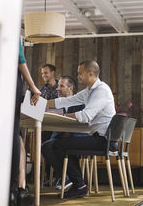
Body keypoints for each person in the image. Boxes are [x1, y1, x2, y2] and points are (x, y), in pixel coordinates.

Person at [46, 60, 116, 199]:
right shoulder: (89, 91)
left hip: (103, 140)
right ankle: (78, 183)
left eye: (80, 73)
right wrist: (44, 103)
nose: (78, 76)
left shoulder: (101, 90)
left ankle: (79, 185)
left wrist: (60, 114)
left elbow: (85, 116)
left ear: (91, 74)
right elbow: (67, 101)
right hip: (99, 137)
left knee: (58, 144)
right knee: (59, 144)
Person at [41, 76, 87, 190]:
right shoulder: (55, 104)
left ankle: (68, 178)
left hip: (77, 136)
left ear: (70, 88)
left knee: (59, 145)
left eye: (61, 86)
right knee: (46, 147)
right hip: (58, 136)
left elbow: (84, 121)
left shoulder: (80, 103)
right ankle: (64, 177)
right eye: (58, 86)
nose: (57, 89)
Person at [10, 40, 41, 206]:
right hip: (11, 80)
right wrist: (33, 86)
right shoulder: (12, 28)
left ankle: (18, 187)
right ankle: (16, 189)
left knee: (13, 134)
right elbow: (20, 59)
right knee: (15, 134)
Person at [39, 64, 58, 184]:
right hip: (45, 124)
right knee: (44, 148)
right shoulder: (41, 90)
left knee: (56, 148)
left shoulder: (62, 86)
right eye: (42, 73)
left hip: (59, 124)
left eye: (46, 73)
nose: (44, 75)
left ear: (53, 73)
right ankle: (48, 177)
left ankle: (57, 175)